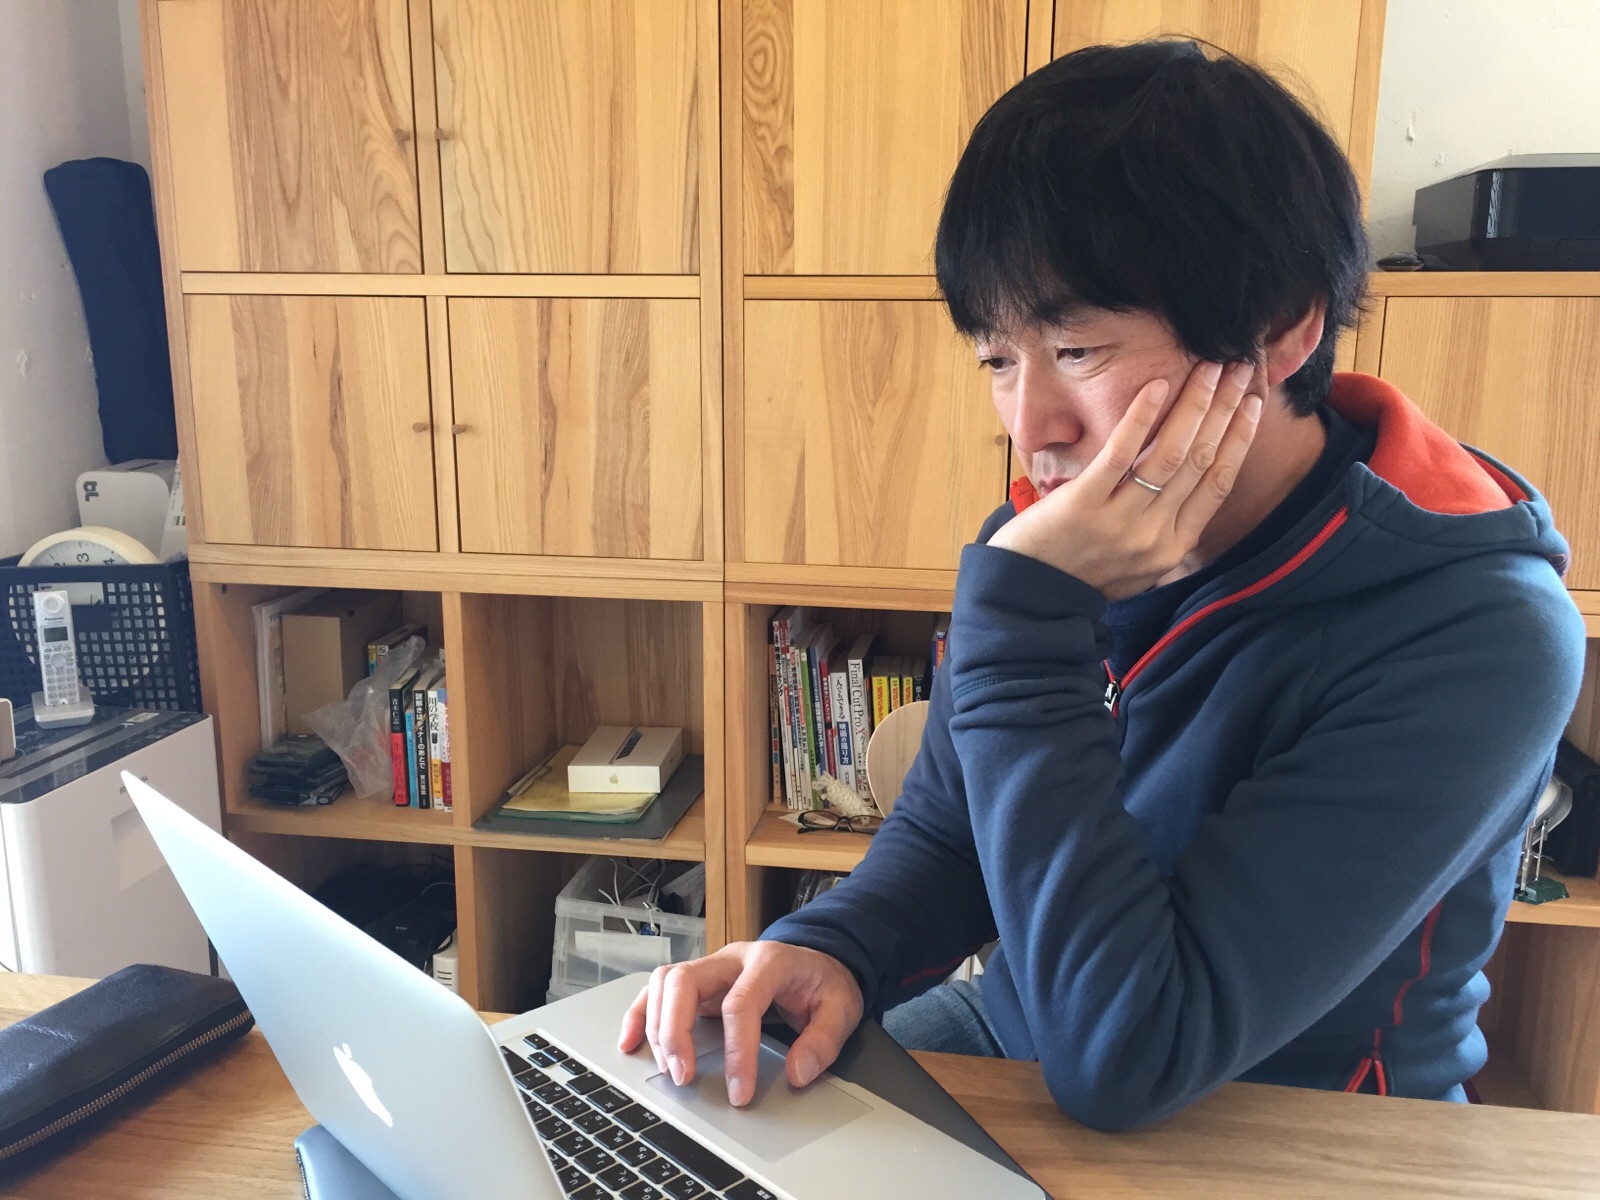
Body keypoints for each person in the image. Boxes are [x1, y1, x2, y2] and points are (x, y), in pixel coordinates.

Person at [620, 40, 1587, 1130]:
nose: (1031, 428)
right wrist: (836, 948)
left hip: (1305, 1123)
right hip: (1031, 1027)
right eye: (997, 359)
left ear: (1283, 327)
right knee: (682, 1130)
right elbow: (952, 833)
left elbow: (1132, 1052)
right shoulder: (1053, 539)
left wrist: (1024, 630)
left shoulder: (1479, 633)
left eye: (1076, 349)